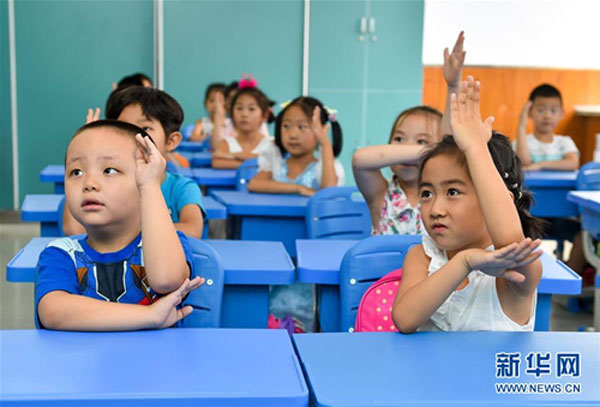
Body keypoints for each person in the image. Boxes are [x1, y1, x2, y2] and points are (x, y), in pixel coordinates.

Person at [393, 76, 545, 333]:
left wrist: (476, 149)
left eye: (452, 192)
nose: (436, 209)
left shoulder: (514, 267)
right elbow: (405, 320)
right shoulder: (423, 257)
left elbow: (510, 241)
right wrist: (464, 262)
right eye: (427, 193)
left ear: (497, 201)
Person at [37, 120, 204, 331]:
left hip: (158, 363)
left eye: (109, 170)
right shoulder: (61, 254)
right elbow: (54, 312)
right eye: (76, 172)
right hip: (84, 362)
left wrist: (150, 185)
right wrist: (149, 316)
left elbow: (166, 280)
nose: (89, 183)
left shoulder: (170, 242)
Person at [352, 32, 465, 234]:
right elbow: (360, 159)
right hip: (388, 267)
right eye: (399, 139)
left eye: (421, 141)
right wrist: (430, 150)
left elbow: (450, 147)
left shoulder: (444, 199)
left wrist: (453, 86)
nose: (407, 148)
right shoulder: (381, 194)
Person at [63, 87, 205, 238]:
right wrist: (92, 145)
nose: (133, 136)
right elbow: (74, 230)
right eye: (122, 128)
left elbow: (192, 230)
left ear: (171, 141)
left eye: (145, 128)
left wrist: (126, 233)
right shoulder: (101, 184)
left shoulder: (181, 188)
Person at [248, 96, 344, 196]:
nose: (293, 135)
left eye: (302, 127)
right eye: (286, 126)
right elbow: (254, 184)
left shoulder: (324, 167)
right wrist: (299, 188)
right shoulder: (276, 162)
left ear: (320, 131)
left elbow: (328, 194)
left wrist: (325, 143)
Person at [514, 84, 579, 170]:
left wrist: (540, 165)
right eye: (541, 110)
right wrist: (521, 127)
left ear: (561, 113)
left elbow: (573, 163)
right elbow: (523, 163)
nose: (547, 116)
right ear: (529, 112)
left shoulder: (564, 142)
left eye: (553, 111)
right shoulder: (520, 142)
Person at [211, 87, 273, 169]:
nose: (244, 114)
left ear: (264, 115)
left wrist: (234, 155)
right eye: (239, 108)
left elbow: (271, 161)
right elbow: (217, 162)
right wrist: (255, 162)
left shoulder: (271, 143)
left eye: (251, 109)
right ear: (232, 113)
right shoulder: (226, 142)